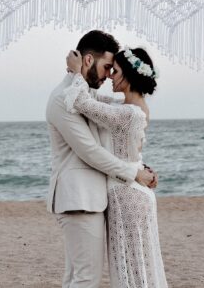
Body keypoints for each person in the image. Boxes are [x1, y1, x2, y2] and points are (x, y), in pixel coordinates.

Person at [45, 30, 157, 288]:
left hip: (89, 199)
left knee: (77, 277)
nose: (109, 75)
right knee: (86, 279)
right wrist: (134, 173)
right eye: (107, 67)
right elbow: (90, 152)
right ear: (87, 61)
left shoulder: (83, 93)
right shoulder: (64, 98)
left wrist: (139, 165)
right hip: (79, 198)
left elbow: (113, 133)